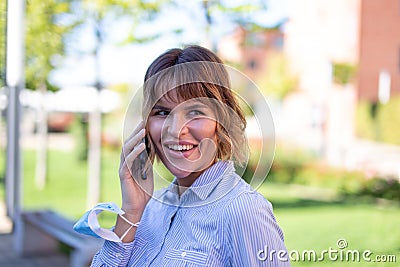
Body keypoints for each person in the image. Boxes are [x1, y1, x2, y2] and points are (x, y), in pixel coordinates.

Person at [87, 45, 290, 266]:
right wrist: (131, 212)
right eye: (162, 112)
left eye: (195, 112)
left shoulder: (243, 211)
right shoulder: (148, 209)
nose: (175, 130)